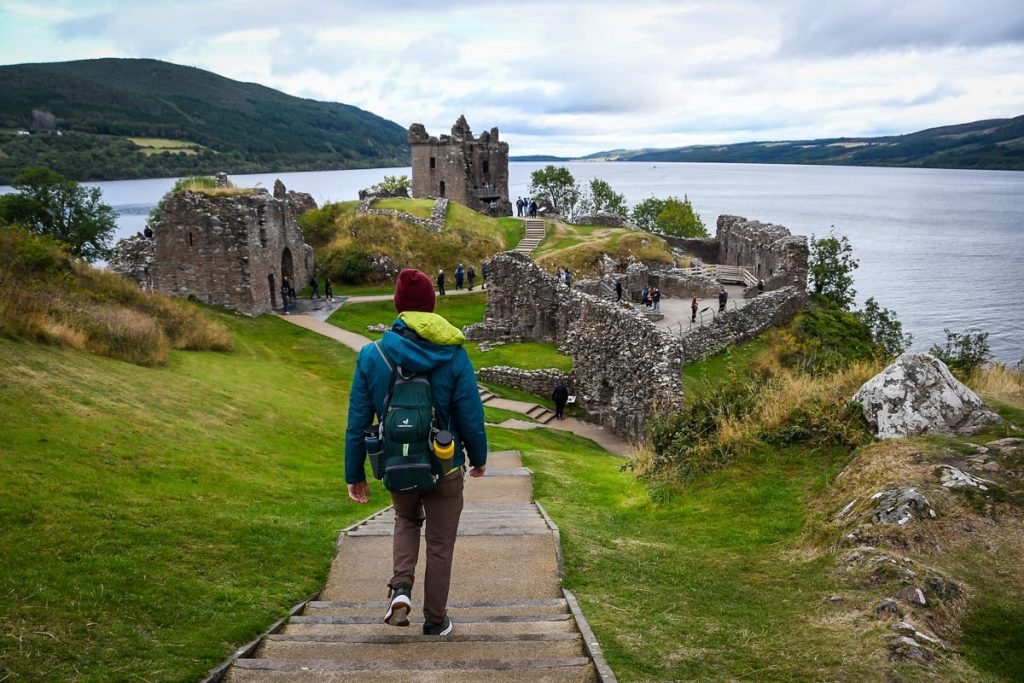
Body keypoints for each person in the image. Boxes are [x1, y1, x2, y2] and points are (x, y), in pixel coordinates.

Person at [345, 269, 487, 637]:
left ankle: (401, 589)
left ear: (398, 306)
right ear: (432, 304)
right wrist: (479, 456)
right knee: (440, 543)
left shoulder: (371, 354)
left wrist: (354, 473)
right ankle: (436, 620)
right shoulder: (453, 354)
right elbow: (471, 413)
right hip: (445, 463)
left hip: (397, 460)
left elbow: (358, 421)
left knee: (406, 521)